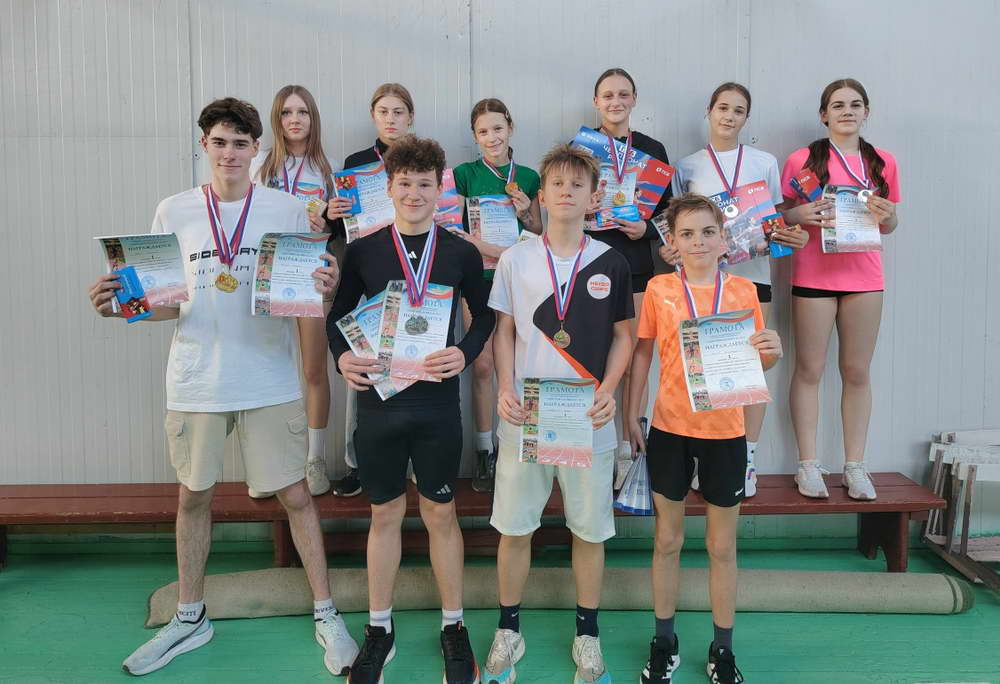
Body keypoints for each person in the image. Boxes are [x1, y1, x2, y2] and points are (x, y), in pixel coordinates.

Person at [87, 98, 357, 677]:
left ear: (256, 149)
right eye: (219, 142)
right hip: (196, 381)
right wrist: (121, 307)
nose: (229, 153)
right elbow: (164, 305)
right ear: (204, 146)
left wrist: (326, 285)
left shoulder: (286, 209)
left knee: (296, 496)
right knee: (193, 497)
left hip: (268, 379)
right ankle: (190, 618)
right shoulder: (175, 210)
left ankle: (326, 612)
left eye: (240, 143)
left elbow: (302, 297)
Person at [326, 135, 493, 684]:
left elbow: (485, 317)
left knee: (441, 513)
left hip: (437, 403)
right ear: (390, 187)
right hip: (380, 403)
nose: (415, 193)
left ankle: (454, 626)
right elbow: (337, 317)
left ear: (439, 188)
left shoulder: (461, 251)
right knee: (385, 514)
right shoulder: (364, 251)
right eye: (405, 183)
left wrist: (465, 353)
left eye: (425, 183)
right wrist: (343, 358)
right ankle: (379, 628)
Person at [485, 144, 633, 684]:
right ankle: (508, 628)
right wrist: (505, 386)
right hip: (526, 413)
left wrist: (610, 389)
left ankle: (587, 635)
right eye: (557, 184)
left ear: (594, 197)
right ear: (540, 196)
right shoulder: (516, 258)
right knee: (514, 527)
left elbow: (625, 337)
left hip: (588, 416)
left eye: (578, 185)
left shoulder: (611, 261)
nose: (567, 192)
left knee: (589, 532)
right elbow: (503, 331)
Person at [627, 193, 782, 684]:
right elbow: (642, 355)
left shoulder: (744, 291)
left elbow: (756, 363)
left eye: (708, 232)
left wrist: (773, 351)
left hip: (725, 432)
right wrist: (632, 412)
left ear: (724, 239)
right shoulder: (658, 289)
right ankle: (664, 641)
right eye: (687, 233)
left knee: (722, 546)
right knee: (667, 540)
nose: (698, 241)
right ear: (672, 241)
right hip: (670, 429)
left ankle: (722, 648)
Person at [669, 82, 809, 496]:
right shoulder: (687, 166)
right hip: (701, 281)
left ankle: (747, 458)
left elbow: (774, 221)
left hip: (753, 277)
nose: (729, 117)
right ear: (709, 111)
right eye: (723, 108)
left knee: (751, 367)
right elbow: (677, 225)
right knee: (703, 365)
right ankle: (706, 455)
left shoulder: (764, 162)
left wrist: (791, 233)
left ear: (747, 118)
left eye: (739, 111)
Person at [780, 78, 900, 501]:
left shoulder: (883, 162)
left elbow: (891, 224)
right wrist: (800, 215)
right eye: (837, 105)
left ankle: (855, 466)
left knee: (857, 372)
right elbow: (782, 216)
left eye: (855, 104)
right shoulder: (802, 160)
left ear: (867, 112)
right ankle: (808, 465)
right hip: (813, 276)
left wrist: (888, 215)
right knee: (809, 370)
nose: (847, 111)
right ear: (823, 114)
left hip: (865, 279)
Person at [325, 82, 416, 498]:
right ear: (373, 116)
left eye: (399, 112)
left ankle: (415, 460)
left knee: (415, 361)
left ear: (410, 117)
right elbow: (344, 230)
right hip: (369, 272)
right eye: (384, 112)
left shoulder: (424, 158)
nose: (391, 119)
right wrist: (334, 214)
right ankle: (357, 462)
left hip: (417, 273)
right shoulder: (356, 164)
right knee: (363, 365)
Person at [251, 84, 340, 498]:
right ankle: (267, 467)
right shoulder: (260, 166)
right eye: (287, 112)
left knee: (312, 370)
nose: (295, 119)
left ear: (312, 118)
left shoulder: (329, 168)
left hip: (311, 273)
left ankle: (314, 459)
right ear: (277, 119)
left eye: (302, 112)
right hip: (270, 272)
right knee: (265, 368)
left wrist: (330, 222)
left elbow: (344, 227)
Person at [452, 97, 542, 492]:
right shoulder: (463, 175)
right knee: (484, 365)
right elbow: (454, 231)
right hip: (479, 280)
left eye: (498, 129)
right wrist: (489, 249)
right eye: (483, 131)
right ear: (475, 136)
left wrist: (524, 212)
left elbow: (539, 233)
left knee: (519, 364)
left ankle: (514, 446)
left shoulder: (530, 176)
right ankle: (483, 449)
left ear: (510, 128)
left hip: (520, 279)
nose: (492, 137)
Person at [585, 67, 673, 464]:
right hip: (591, 264)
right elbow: (565, 201)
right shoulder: (583, 147)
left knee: (637, 357)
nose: (615, 102)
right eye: (608, 95)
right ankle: (598, 446)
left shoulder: (652, 148)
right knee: (595, 356)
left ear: (634, 99)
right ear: (596, 102)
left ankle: (629, 446)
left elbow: (670, 212)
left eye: (623, 94)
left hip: (636, 265)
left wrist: (647, 229)